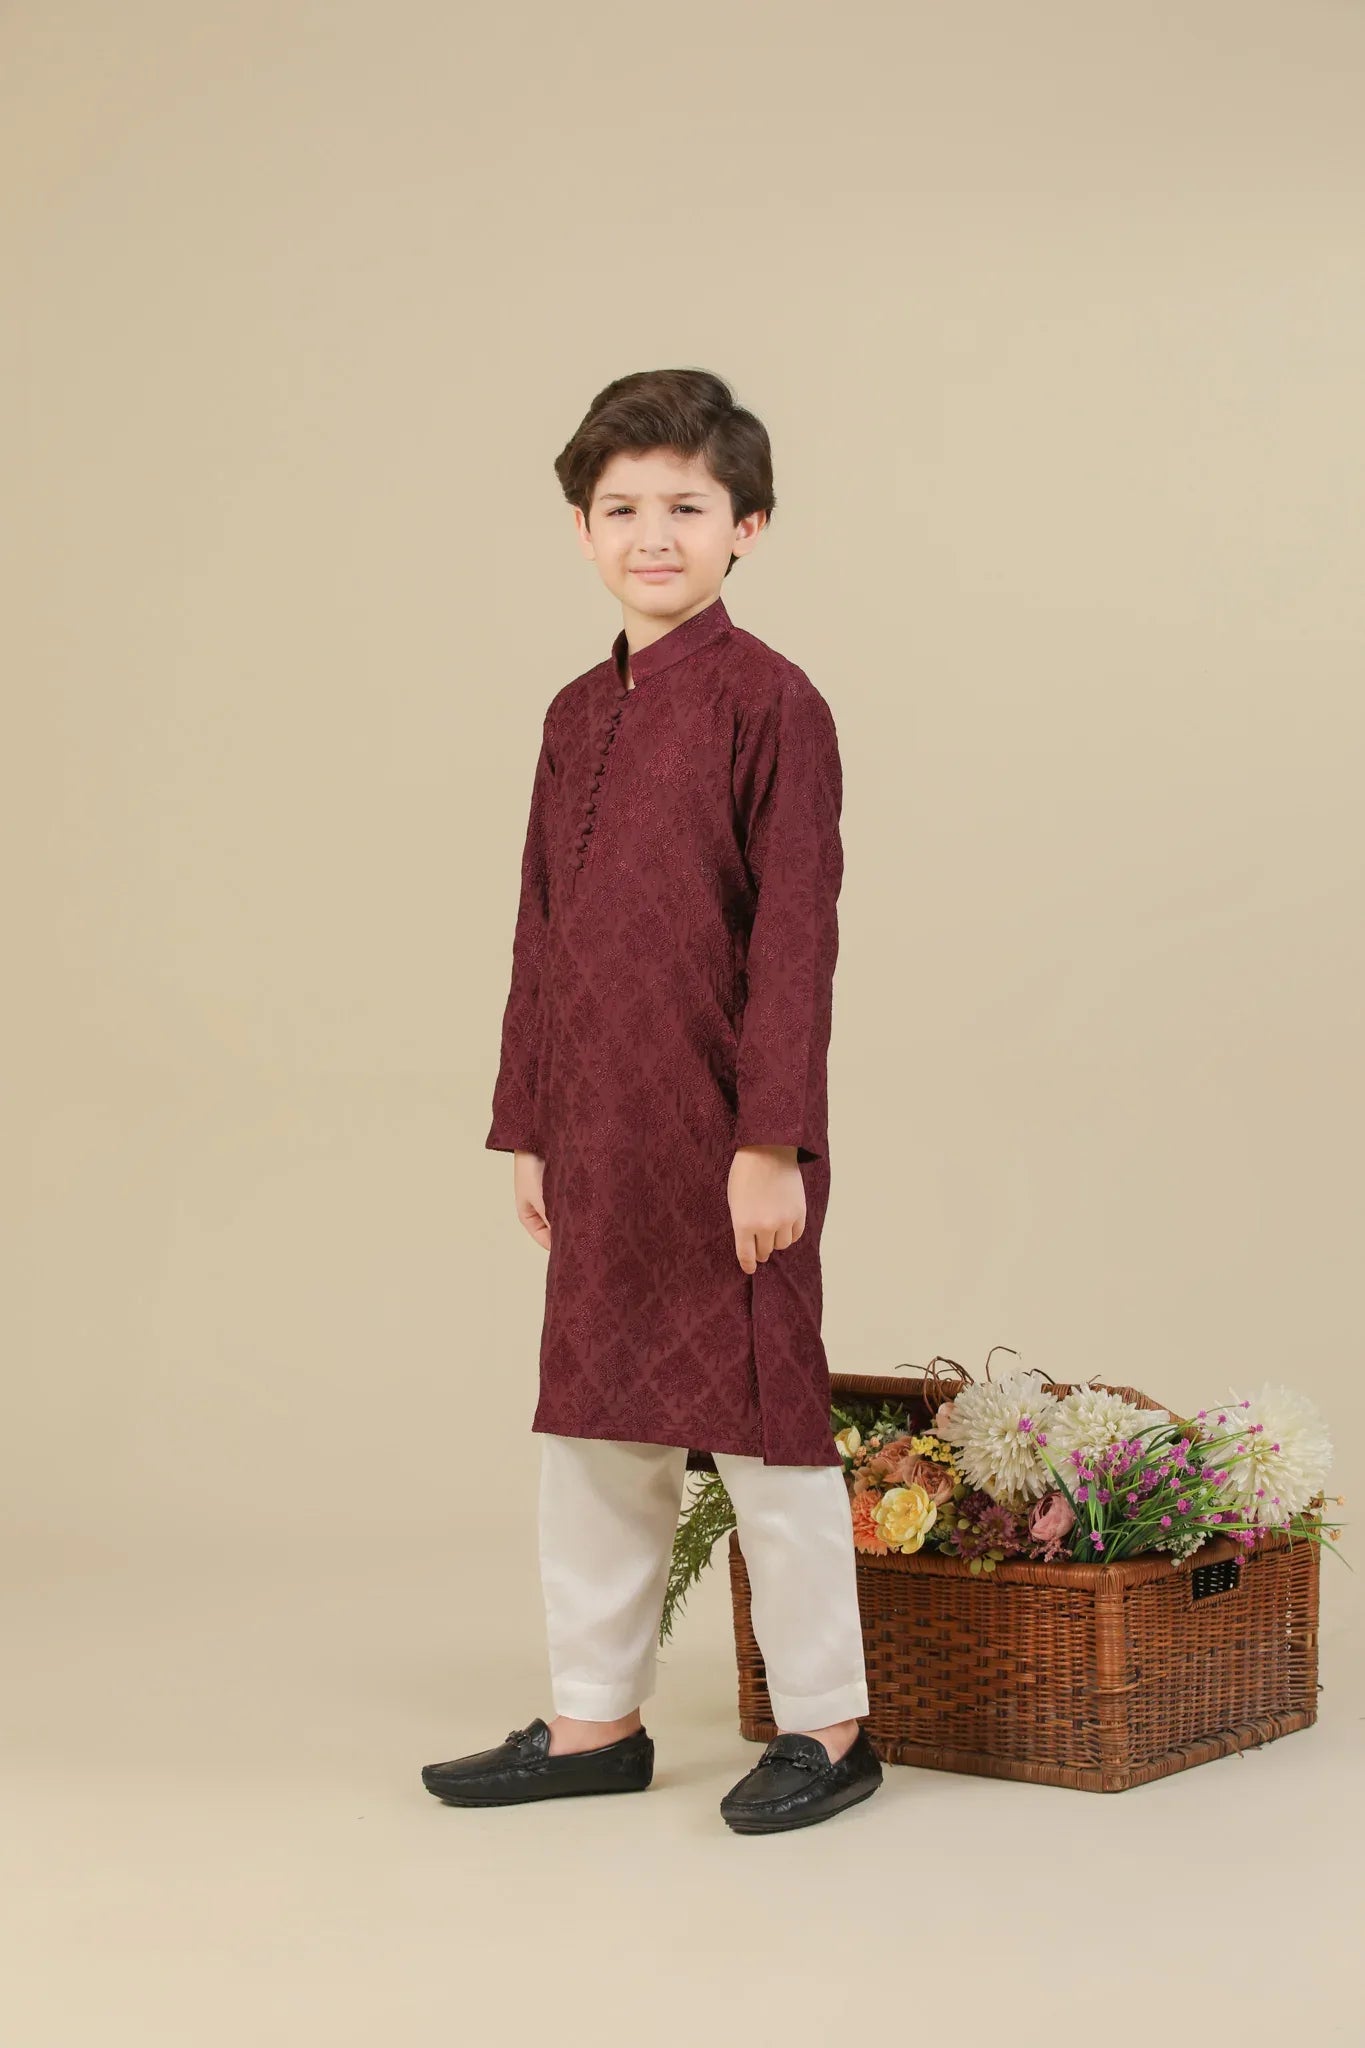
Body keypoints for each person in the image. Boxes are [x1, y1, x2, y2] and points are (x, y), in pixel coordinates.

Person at [422, 369, 882, 1832]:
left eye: (686, 506)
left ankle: (831, 1723)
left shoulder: (773, 705)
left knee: (765, 1436)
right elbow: (537, 930)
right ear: (580, 529)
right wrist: (532, 1124)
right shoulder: (573, 713)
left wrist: (770, 1143)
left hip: (722, 1137)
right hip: (600, 1134)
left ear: (748, 525)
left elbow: (795, 938)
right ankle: (592, 1722)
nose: (653, 534)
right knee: (592, 1431)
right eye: (621, 508)